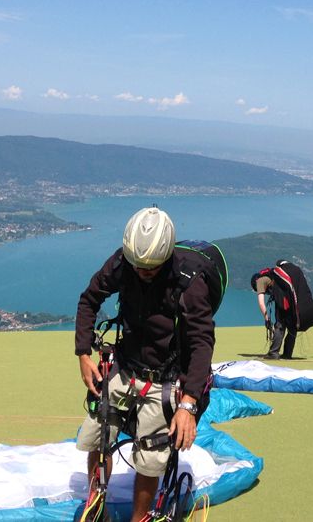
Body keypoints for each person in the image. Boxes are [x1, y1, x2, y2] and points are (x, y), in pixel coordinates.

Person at [74, 207, 215, 522]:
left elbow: (201, 343)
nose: (142, 272)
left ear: (165, 258)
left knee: (150, 455)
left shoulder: (190, 283)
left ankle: (140, 519)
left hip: (165, 376)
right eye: (138, 266)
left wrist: (187, 404)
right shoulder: (123, 263)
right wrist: (83, 354)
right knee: (98, 433)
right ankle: (97, 508)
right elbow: (89, 300)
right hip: (127, 363)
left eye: (151, 268)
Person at [251, 260, 313, 360]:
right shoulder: (274, 277)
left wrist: (267, 319)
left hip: (282, 300)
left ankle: (273, 353)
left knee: (279, 325)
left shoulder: (260, 281)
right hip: (290, 300)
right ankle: (287, 354)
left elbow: (261, 302)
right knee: (292, 325)